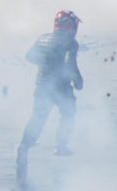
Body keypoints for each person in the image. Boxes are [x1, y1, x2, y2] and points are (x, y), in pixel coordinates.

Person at [16, 11, 84, 181]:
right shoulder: (71, 42)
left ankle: (24, 147)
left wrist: (47, 63)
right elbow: (70, 64)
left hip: (42, 84)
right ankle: (61, 146)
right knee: (69, 113)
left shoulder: (42, 38)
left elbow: (29, 56)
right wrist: (78, 82)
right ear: (71, 26)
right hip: (61, 87)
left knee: (38, 117)